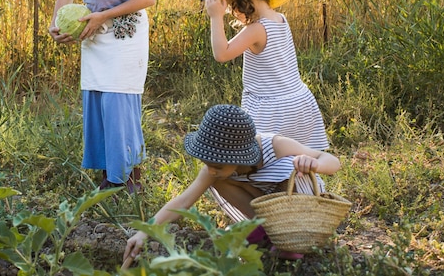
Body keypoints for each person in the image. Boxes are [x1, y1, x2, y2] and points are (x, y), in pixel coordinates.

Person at [123, 104, 341, 262]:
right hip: (265, 205)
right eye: (206, 162)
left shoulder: (276, 146)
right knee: (218, 181)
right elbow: (184, 201)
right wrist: (145, 232)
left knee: (292, 168)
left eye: (217, 164)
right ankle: (266, 230)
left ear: (237, 157)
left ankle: (293, 235)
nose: (210, 169)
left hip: (299, 204)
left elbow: (333, 161)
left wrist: (312, 163)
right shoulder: (214, 169)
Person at [200, 0, 330, 220]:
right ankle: (305, 210)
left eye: (231, 3)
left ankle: (264, 219)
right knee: (298, 164)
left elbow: (221, 54)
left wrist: (215, 18)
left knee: (255, 168)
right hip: (298, 101)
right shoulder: (280, 19)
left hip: (270, 108)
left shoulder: (257, 29)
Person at [48, 0, 156, 193]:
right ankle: (110, 174)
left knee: (118, 100)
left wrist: (104, 16)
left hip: (126, 31)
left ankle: (129, 178)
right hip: (92, 31)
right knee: (97, 99)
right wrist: (57, 24)